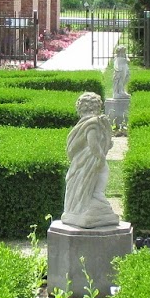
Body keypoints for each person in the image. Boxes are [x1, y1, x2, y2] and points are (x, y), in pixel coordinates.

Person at [62, 91, 120, 229]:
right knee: (100, 174)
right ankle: (96, 197)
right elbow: (92, 142)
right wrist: (100, 156)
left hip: (82, 159)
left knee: (82, 180)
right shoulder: (93, 123)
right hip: (90, 157)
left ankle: (85, 204)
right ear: (98, 107)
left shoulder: (84, 123)